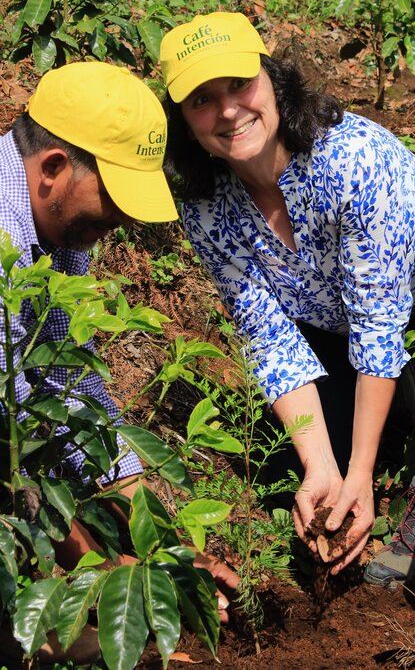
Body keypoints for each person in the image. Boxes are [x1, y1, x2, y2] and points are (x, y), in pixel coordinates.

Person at [160, 11, 415, 576]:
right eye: (203, 100)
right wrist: (323, 466)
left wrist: (361, 470)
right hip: (332, 318)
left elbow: (379, 318)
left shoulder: (347, 156)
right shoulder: (206, 209)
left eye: (239, 84)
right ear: (183, 122)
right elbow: (268, 335)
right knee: (311, 456)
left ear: (273, 82)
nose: (228, 110)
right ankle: (407, 416)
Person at [0, 61, 237, 638]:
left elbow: (70, 392)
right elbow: (9, 436)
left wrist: (164, 549)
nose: (124, 218)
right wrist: (99, 573)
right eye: (114, 195)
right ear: (53, 168)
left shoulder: (55, 230)